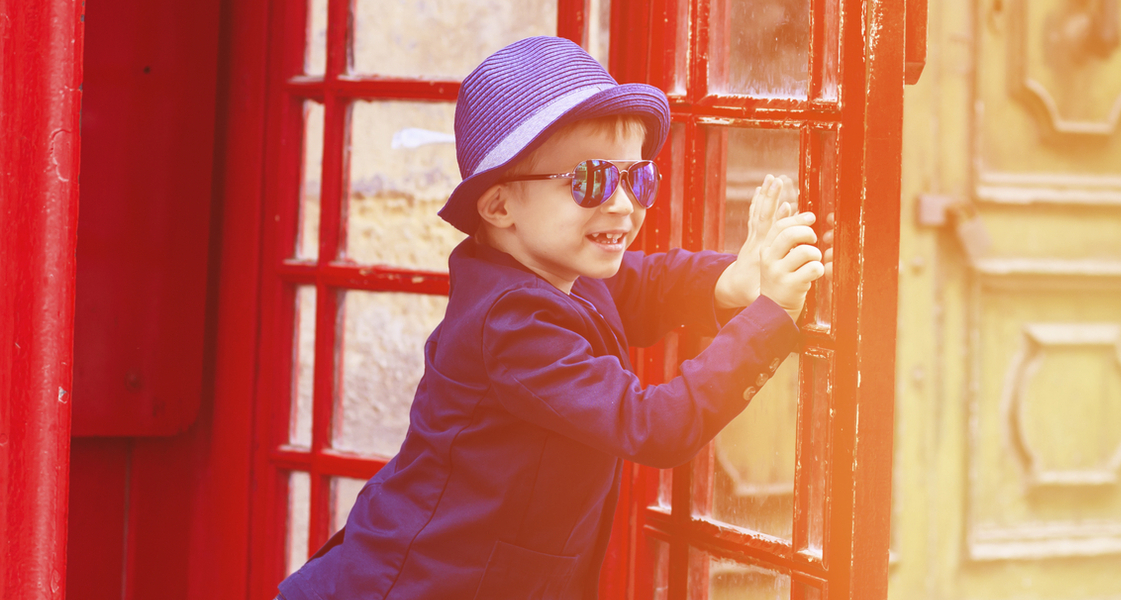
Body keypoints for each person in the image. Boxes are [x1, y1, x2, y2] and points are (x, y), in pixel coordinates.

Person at [275, 36, 825, 600]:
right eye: (590, 180)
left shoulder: (562, 266)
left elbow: (646, 284)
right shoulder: (514, 322)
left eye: (637, 178)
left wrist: (732, 279)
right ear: (499, 207)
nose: (621, 204)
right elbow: (653, 425)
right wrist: (770, 317)